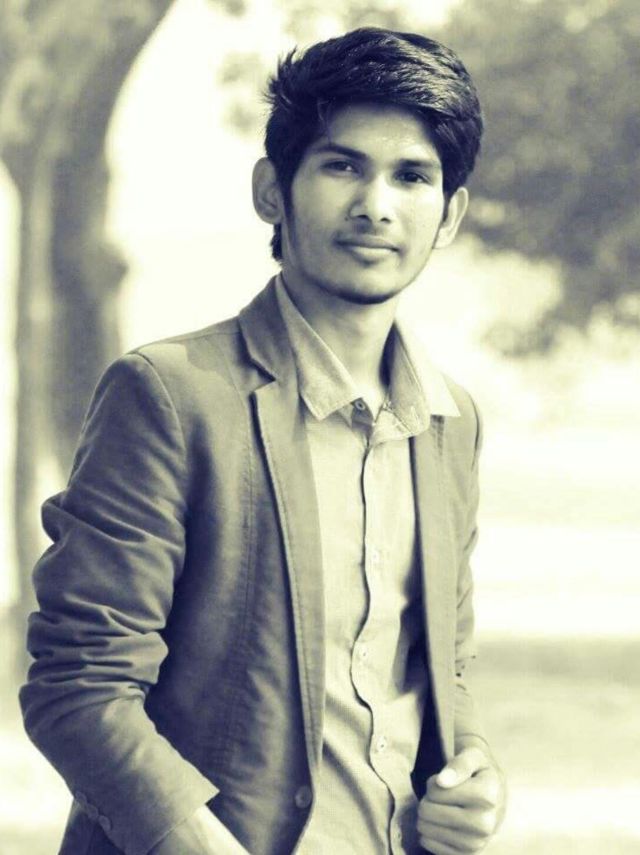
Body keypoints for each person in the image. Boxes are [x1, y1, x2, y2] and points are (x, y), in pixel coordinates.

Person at [20, 26, 506, 855]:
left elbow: (441, 674)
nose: (376, 205)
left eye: (412, 176)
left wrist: (475, 775)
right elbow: (81, 687)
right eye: (342, 165)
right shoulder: (169, 393)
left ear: (450, 214)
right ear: (271, 190)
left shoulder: (450, 421)